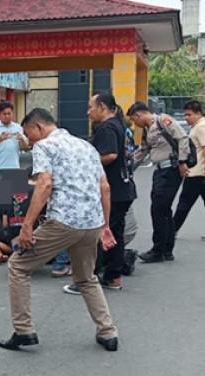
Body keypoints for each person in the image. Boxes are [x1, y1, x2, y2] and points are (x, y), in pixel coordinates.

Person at [0, 108, 119, 352]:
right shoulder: (87, 146)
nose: (29, 142)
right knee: (87, 278)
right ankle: (108, 332)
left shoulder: (45, 146)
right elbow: (104, 187)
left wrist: (27, 226)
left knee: (18, 266)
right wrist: (105, 225)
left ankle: (23, 330)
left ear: (39, 127)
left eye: (29, 135)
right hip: (91, 222)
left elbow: (44, 184)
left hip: (63, 220)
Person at [80, 91, 135, 290]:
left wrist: (85, 161)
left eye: (91, 107)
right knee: (114, 234)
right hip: (124, 187)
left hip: (112, 190)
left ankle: (90, 278)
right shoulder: (120, 125)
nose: (88, 112)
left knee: (100, 233)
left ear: (102, 107)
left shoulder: (107, 127)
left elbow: (110, 155)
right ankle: (113, 276)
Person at [127, 102, 190, 263]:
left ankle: (158, 250)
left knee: (158, 209)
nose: (135, 124)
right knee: (164, 210)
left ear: (139, 115)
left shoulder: (163, 120)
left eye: (134, 120)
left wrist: (182, 162)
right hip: (160, 170)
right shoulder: (148, 129)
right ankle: (167, 249)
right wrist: (129, 168)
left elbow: (182, 138)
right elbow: (143, 150)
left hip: (170, 170)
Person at [173, 100, 205, 242]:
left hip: (199, 172)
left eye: (189, 115)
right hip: (202, 171)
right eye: (185, 115)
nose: (186, 118)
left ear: (198, 113)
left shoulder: (202, 128)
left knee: (185, 203)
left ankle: (172, 230)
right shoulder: (198, 126)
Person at [0, 101, 29, 182]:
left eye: (9, 113)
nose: (7, 116)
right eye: (4, 114)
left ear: (12, 113)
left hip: (15, 167)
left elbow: (25, 148)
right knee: (3, 190)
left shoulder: (18, 128)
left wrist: (22, 139)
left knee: (16, 190)